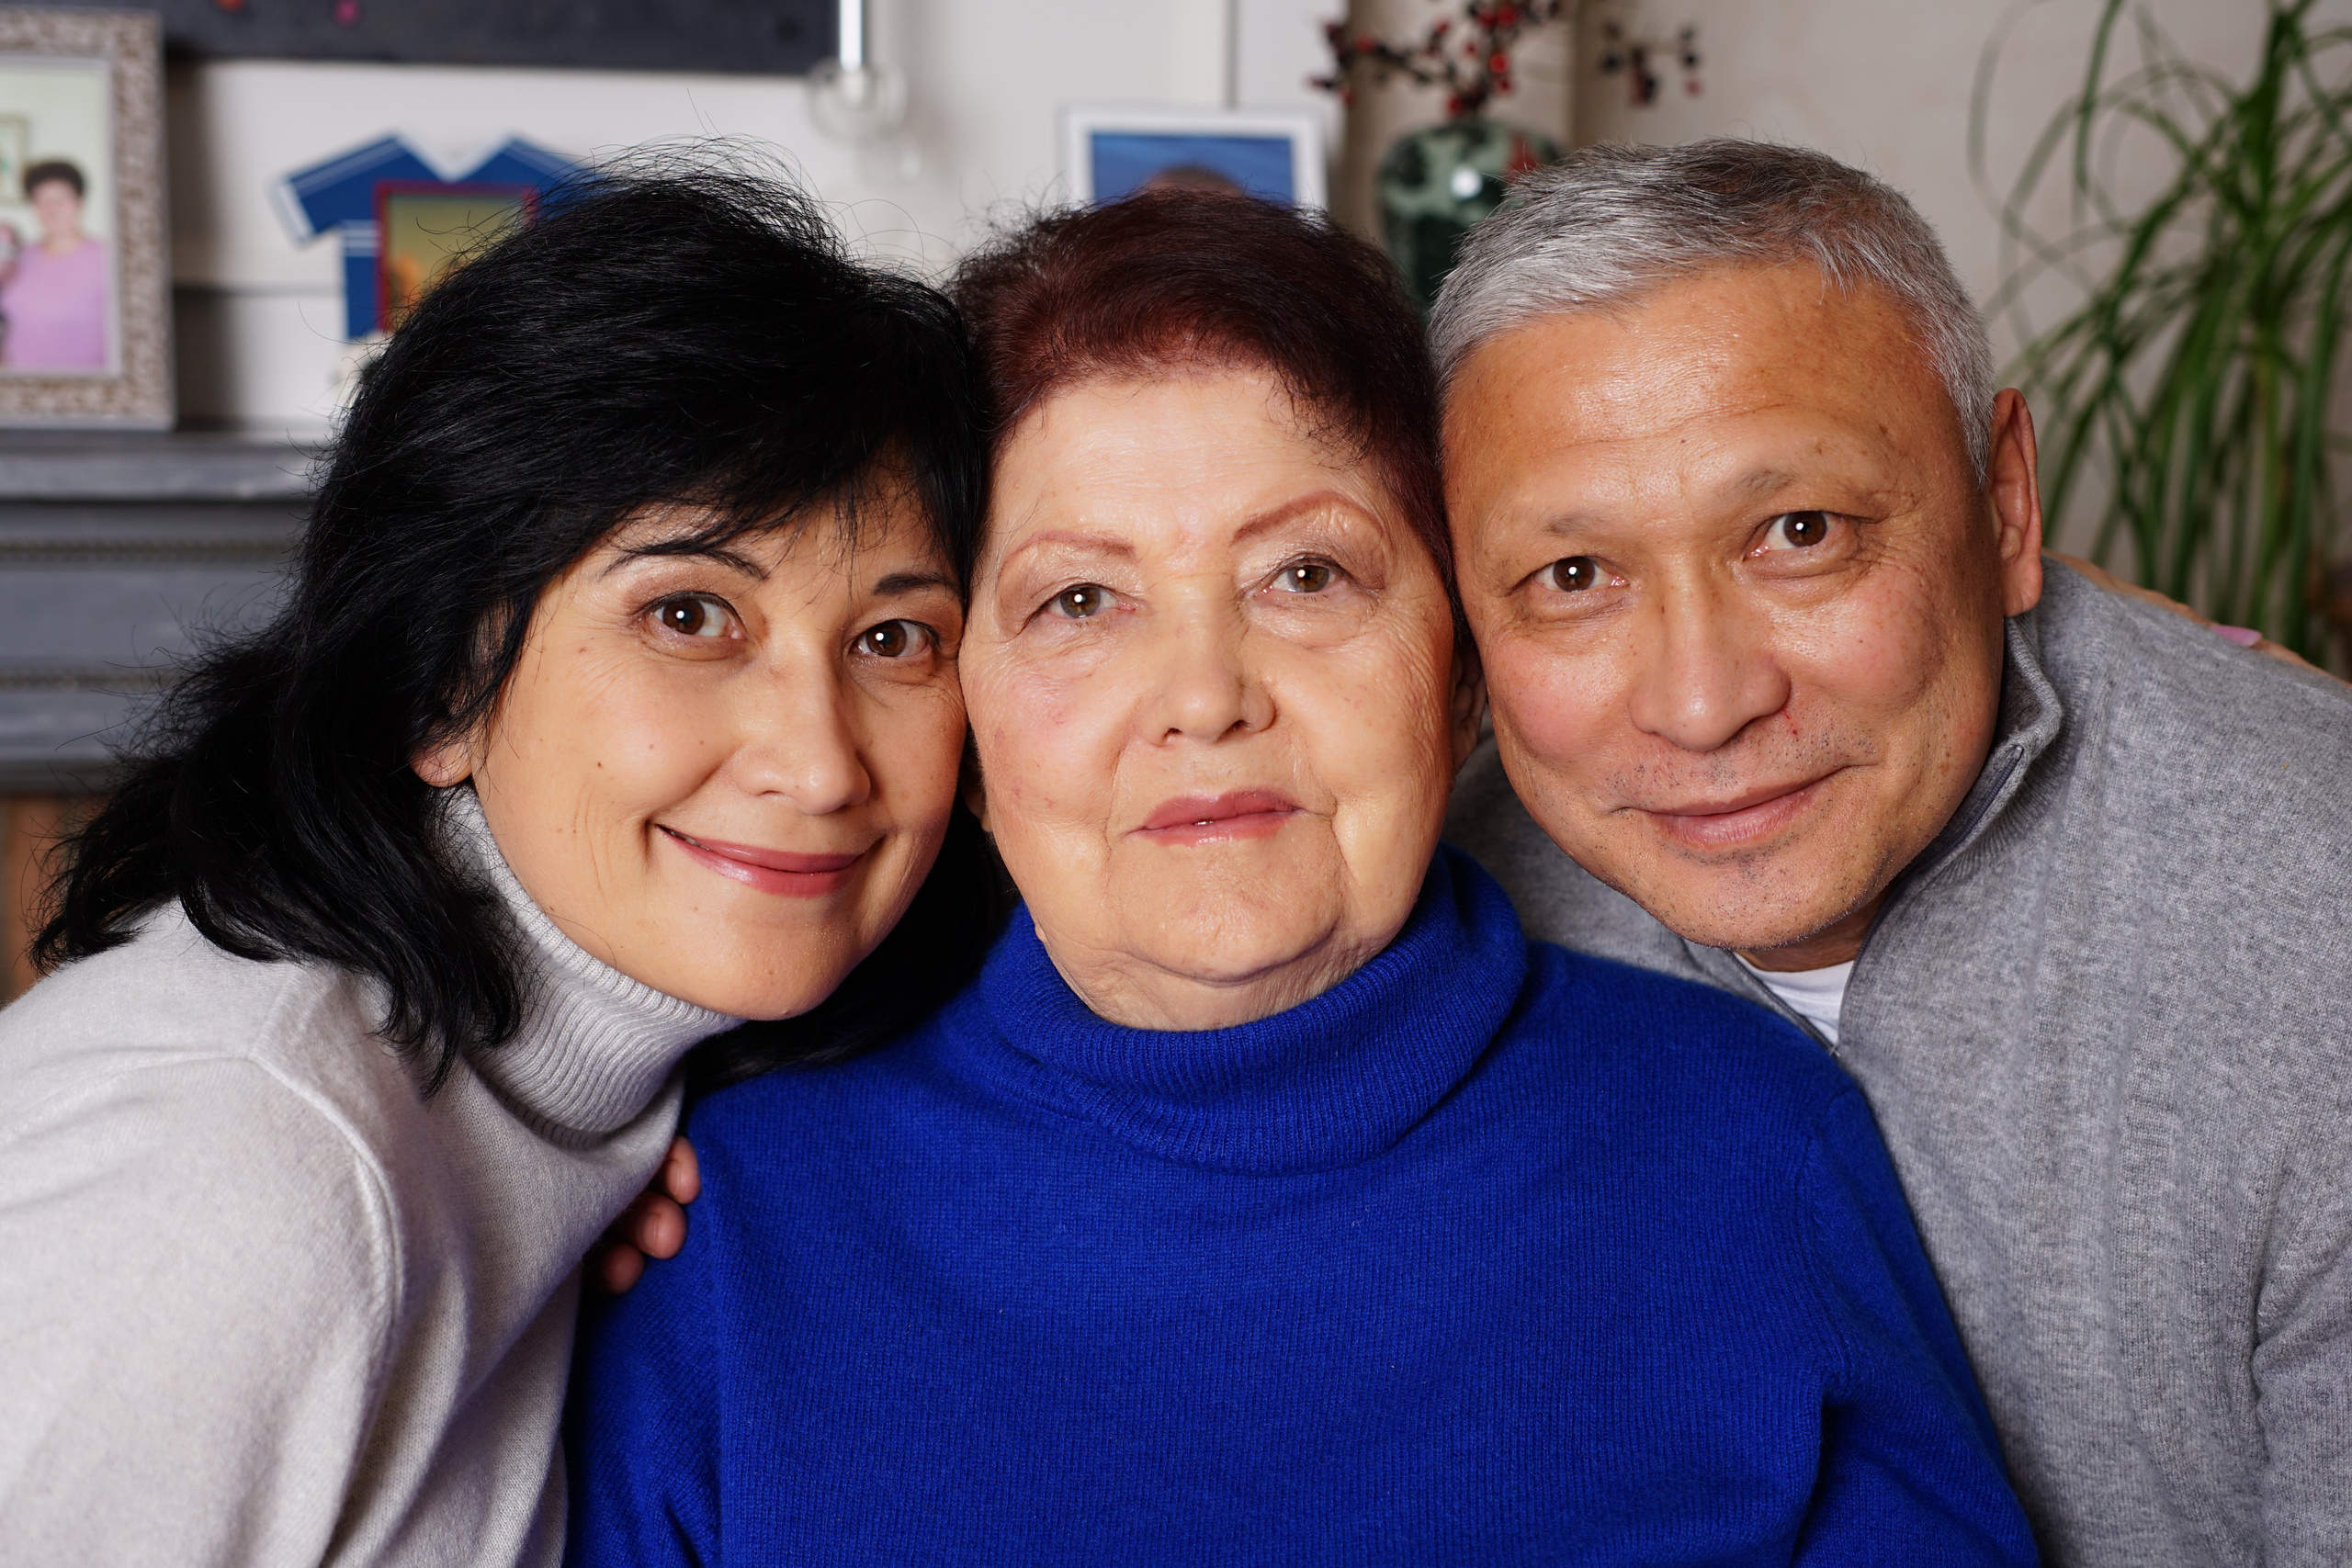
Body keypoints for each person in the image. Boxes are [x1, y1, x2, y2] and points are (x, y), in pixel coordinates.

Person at [565, 189, 2037, 1565]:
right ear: (966, 717)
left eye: (1306, 577)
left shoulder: (1743, 1135)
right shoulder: (728, 1222)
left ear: (1460, 671)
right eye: (1082, 598)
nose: (1205, 695)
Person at [0, 167, 1001, 1564]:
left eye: (896, 640)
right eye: (691, 611)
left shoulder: (603, 1110)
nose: (821, 760)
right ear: (443, 687)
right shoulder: (239, 1176)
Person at [1432, 140, 2352, 1567]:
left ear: (2004, 508)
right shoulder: (1435, 919)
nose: (1702, 697)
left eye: (1800, 532)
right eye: (1572, 576)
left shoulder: (2319, 914)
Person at [0, 159, 109, 369]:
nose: (51, 209)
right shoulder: (19, 257)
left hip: (81, 392)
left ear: (79, 202)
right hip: (18, 389)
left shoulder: (107, 259)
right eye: (41, 201)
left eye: (60, 199)